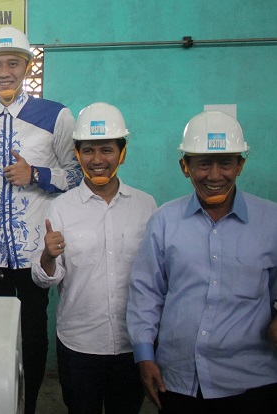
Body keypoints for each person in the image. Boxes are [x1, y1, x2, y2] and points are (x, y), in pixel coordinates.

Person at [0, 26, 82, 414]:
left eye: (12, 62)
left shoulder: (55, 115)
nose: (4, 71)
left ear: (27, 66)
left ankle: (30, 404)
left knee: (33, 337)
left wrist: (36, 174)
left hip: (34, 255)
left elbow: (77, 176)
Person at [126, 110, 277, 413]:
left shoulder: (271, 220)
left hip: (252, 382)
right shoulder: (164, 221)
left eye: (226, 163)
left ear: (241, 165)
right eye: (203, 163)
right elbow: (146, 292)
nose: (215, 175)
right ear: (185, 166)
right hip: (179, 379)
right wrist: (144, 356)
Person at [32, 103, 156, 413]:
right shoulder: (60, 207)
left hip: (133, 344)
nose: (97, 160)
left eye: (106, 150)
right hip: (79, 344)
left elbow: (157, 276)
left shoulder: (146, 205)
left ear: (121, 152)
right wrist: (48, 255)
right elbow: (45, 278)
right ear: (77, 153)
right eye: (88, 151)